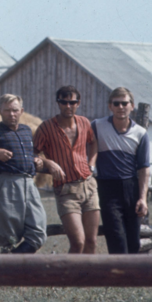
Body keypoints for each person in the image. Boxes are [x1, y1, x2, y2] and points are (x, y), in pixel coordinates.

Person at [0, 94, 47, 253]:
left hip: (29, 184)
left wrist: (37, 159)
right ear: (0, 111)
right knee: (7, 235)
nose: (11, 114)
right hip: (6, 183)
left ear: (21, 111)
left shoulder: (26, 130)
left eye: (15, 110)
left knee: (38, 233)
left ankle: (11, 260)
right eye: (7, 110)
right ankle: (8, 269)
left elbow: (29, 153)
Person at [34, 85, 100, 254]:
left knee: (92, 242)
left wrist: (91, 164)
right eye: (64, 102)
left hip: (89, 185)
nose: (68, 106)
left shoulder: (84, 122)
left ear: (78, 103)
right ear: (58, 103)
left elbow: (93, 143)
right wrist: (49, 163)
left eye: (72, 102)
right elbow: (32, 155)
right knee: (78, 242)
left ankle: (85, 279)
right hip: (66, 189)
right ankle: (69, 279)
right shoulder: (46, 127)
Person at [91, 87, 150, 254]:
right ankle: (118, 278)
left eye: (125, 103)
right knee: (116, 238)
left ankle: (132, 279)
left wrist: (142, 198)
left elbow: (144, 169)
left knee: (133, 243)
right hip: (107, 187)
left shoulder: (140, 133)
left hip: (130, 187)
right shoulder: (97, 126)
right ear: (110, 106)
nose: (121, 107)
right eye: (116, 103)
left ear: (132, 106)